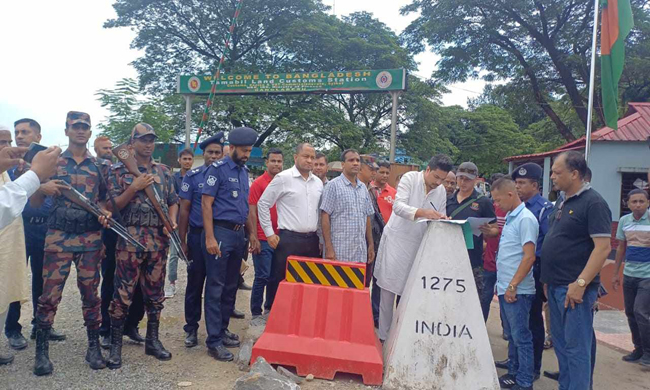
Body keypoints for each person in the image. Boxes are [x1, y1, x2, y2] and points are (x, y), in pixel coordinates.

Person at [31, 112, 111, 376]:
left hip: (90, 238)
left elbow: (103, 200)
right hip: (58, 237)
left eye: (85, 127)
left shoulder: (100, 166)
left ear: (90, 133)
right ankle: (41, 352)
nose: (80, 131)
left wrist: (105, 212)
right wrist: (41, 189)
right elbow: (34, 203)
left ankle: (93, 347)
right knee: (49, 296)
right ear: (66, 130)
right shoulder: (52, 162)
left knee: (91, 295)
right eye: (75, 126)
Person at [107, 123, 179, 369]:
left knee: (155, 294)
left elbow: (172, 200)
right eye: (144, 140)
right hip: (129, 240)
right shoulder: (118, 170)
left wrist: (172, 221)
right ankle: (115, 346)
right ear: (132, 143)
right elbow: (112, 206)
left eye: (152, 140)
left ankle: (153, 340)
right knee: (123, 294)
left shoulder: (164, 171)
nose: (149, 144)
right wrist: (134, 187)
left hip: (157, 242)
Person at [541, 151, 612, 389]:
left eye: (557, 172)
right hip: (555, 286)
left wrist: (580, 283)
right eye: (552, 172)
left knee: (577, 350)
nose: (552, 176)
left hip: (574, 291)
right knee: (562, 347)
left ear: (575, 174)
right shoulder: (562, 200)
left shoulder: (594, 203)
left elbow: (602, 249)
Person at [374, 154, 453, 341]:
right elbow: (398, 207)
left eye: (442, 179)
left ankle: (402, 336)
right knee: (388, 291)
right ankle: (383, 336)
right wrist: (423, 212)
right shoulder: (410, 178)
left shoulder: (440, 190)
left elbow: (440, 214)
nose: (438, 182)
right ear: (427, 170)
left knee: (411, 292)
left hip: (419, 244)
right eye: (436, 177)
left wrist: (443, 219)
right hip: (397, 241)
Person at [5, 119, 67, 351]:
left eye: (25, 132)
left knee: (44, 281)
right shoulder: (9, 165)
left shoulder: (51, 164)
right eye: (17, 132)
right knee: (15, 278)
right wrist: (39, 186)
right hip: (20, 228)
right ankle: (12, 328)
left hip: (46, 229)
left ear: (38, 137)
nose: (20, 136)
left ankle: (41, 325)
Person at [201, 127, 258, 362]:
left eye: (249, 151)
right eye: (244, 151)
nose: (246, 155)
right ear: (232, 148)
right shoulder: (217, 170)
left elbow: (244, 207)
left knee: (230, 285)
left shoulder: (244, 172)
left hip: (238, 235)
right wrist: (210, 237)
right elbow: (206, 204)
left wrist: (251, 234)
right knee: (215, 286)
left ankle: (223, 329)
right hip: (221, 232)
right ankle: (213, 340)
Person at [257, 143, 323, 309]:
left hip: (312, 240)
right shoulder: (283, 178)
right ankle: (271, 313)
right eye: (305, 156)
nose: (309, 161)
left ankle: (302, 314)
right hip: (288, 239)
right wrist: (269, 234)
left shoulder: (318, 183)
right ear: (295, 157)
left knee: (308, 281)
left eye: (312, 157)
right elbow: (263, 204)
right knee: (279, 279)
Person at [94, 137, 145, 349]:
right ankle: (106, 329)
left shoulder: (148, 170)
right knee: (110, 282)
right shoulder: (111, 171)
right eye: (128, 148)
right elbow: (102, 203)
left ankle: (132, 325)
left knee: (139, 284)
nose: (130, 151)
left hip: (141, 235)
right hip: (115, 233)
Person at [490, 177, 539, 390]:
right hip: (505, 286)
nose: (497, 205)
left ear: (510, 195)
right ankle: (513, 372)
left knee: (522, 337)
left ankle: (524, 381)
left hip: (517, 289)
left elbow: (529, 257)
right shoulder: (511, 216)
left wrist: (513, 285)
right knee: (512, 335)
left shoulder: (525, 219)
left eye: (498, 200)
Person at [178, 133, 224, 348]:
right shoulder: (193, 176)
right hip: (197, 237)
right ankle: (191, 329)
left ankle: (218, 331)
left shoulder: (226, 174)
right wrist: (182, 241)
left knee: (218, 286)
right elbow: (184, 211)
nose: (213, 156)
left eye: (217, 152)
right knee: (195, 285)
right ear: (203, 154)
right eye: (210, 152)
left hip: (221, 237)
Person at [611, 189, 650, 368]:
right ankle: (638, 349)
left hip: (647, 276)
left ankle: (648, 352)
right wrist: (615, 273)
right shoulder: (624, 222)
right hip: (629, 274)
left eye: (641, 201)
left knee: (641, 312)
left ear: (648, 202)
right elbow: (620, 247)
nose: (638, 205)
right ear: (628, 204)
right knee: (630, 313)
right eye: (634, 201)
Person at [446, 162, 496, 299]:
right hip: (448, 257)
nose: (463, 182)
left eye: (467, 179)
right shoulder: (447, 200)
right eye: (460, 178)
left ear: (475, 179)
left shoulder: (483, 202)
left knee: (471, 299)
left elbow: (495, 229)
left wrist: (488, 230)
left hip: (472, 259)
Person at [248, 148, 283, 325]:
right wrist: (253, 236)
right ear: (266, 163)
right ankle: (256, 311)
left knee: (275, 276)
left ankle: (270, 308)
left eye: (279, 161)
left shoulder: (284, 182)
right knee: (262, 276)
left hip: (280, 237)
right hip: (262, 237)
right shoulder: (259, 184)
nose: (276, 164)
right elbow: (252, 211)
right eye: (273, 161)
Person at [321, 149, 375, 263]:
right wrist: (329, 248)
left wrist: (370, 244)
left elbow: (367, 217)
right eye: (351, 160)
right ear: (343, 164)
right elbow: (325, 217)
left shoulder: (363, 188)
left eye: (357, 160)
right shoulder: (333, 186)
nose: (355, 163)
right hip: (339, 252)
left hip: (360, 252)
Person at [165, 148, 195, 298]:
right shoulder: (173, 178)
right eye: (185, 159)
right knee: (174, 254)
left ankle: (194, 284)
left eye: (190, 159)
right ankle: (171, 283)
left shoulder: (197, 177)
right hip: (177, 222)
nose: (187, 162)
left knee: (193, 253)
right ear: (179, 160)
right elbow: (172, 199)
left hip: (192, 222)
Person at [479, 173, 507, 322]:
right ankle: (480, 326)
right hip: (489, 260)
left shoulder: (513, 210)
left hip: (507, 263)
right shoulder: (490, 207)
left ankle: (506, 329)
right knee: (485, 296)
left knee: (505, 299)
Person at [360, 157, 384, 327]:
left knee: (368, 280)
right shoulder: (359, 189)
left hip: (371, 242)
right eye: (371, 169)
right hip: (355, 244)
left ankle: (365, 317)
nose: (374, 172)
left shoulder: (371, 191)